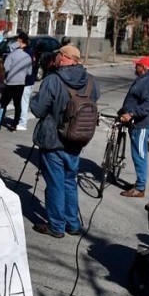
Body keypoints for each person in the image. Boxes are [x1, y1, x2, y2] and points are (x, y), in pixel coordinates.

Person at [30, 45, 99, 238]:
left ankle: (56, 226)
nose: (57, 58)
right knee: (70, 181)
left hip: (53, 138)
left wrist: (36, 100)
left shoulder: (53, 80)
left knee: (55, 184)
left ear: (64, 57)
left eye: (60, 54)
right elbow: (94, 100)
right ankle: (72, 223)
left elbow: (38, 109)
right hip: (77, 138)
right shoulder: (91, 81)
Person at [118, 56, 149, 198]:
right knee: (137, 154)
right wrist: (122, 112)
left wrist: (131, 114)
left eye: (138, 65)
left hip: (142, 125)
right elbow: (134, 99)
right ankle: (138, 184)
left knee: (139, 156)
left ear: (144, 68)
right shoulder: (143, 79)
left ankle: (140, 188)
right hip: (135, 123)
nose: (135, 67)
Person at [0, 32, 31, 131]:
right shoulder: (27, 56)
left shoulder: (11, 55)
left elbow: (6, 68)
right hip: (21, 83)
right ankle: (14, 124)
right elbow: (29, 72)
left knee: (3, 104)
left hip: (10, 82)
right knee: (17, 104)